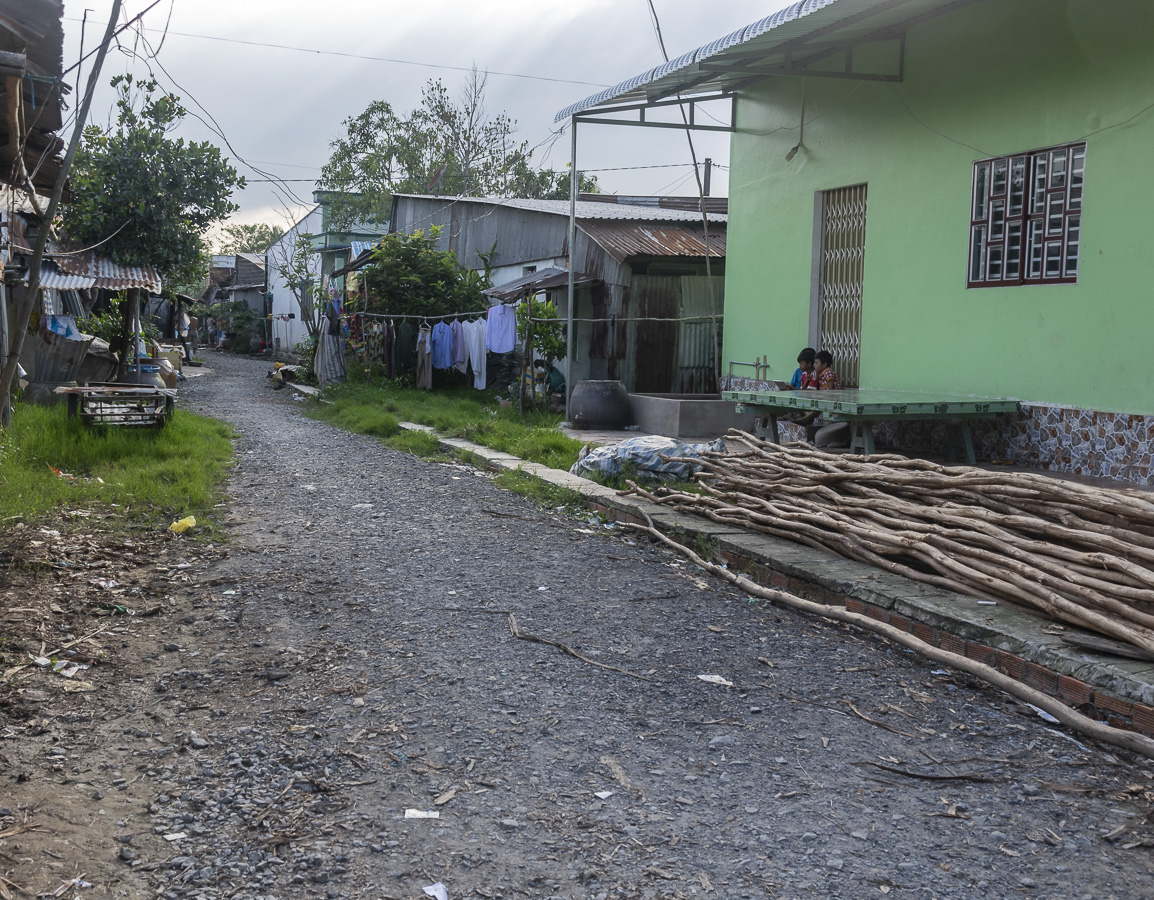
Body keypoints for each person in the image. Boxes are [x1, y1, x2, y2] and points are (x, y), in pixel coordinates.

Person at [810, 350, 849, 447]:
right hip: (828, 398)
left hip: (835, 398)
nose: (814, 365)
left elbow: (830, 388)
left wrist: (826, 396)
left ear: (824, 364)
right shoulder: (820, 373)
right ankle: (831, 436)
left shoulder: (828, 372)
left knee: (834, 418)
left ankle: (837, 437)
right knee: (829, 417)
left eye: (816, 363)